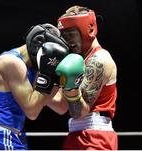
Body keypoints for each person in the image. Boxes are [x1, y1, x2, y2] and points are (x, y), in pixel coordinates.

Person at [0, 23, 70, 150]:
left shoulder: (35, 69)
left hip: (12, 136)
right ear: (39, 43)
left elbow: (61, 106)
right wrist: (48, 74)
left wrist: (60, 79)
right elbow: (32, 111)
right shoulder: (11, 62)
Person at [56, 5, 118, 150]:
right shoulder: (77, 61)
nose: (67, 41)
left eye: (71, 34)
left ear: (89, 29)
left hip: (96, 136)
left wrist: (70, 87)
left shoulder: (99, 60)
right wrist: (42, 80)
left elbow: (79, 112)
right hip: (76, 133)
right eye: (63, 36)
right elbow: (61, 106)